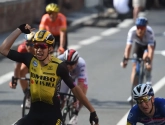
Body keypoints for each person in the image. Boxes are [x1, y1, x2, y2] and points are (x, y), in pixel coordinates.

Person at [0, 24, 99, 125]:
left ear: (50, 49)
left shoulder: (59, 66)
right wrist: (19, 30)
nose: (38, 50)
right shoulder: (30, 60)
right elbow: (3, 49)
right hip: (33, 116)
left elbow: (75, 89)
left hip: (53, 118)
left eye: (42, 46)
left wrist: (92, 111)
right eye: (36, 46)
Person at [58, 49, 88, 125]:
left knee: (82, 96)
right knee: (60, 97)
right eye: (66, 63)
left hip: (77, 78)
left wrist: (77, 100)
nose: (68, 66)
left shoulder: (81, 64)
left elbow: (80, 84)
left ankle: (75, 115)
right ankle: (57, 115)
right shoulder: (59, 59)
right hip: (66, 76)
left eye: (71, 64)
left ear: (76, 62)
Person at [9, 32, 35, 108]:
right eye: (27, 44)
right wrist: (14, 81)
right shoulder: (22, 48)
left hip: (39, 63)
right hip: (28, 62)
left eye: (32, 44)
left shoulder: (40, 47)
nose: (29, 47)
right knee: (21, 72)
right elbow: (17, 67)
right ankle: (28, 96)